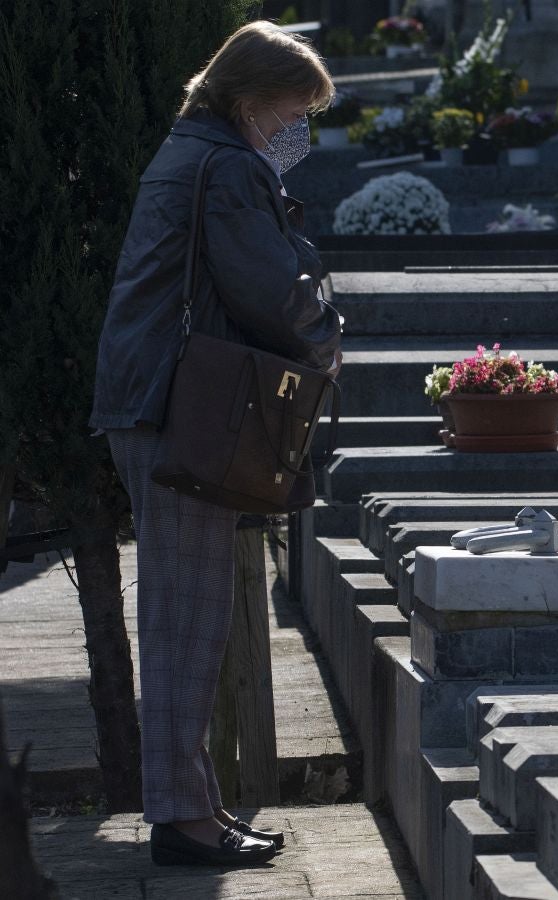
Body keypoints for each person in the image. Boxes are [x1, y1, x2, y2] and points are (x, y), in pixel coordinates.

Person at [88, 20, 343, 867]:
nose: (298, 126)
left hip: (153, 398)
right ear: (249, 99)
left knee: (184, 614)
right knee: (186, 619)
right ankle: (183, 821)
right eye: (293, 108)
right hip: (178, 407)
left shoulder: (192, 148)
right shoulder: (228, 164)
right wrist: (329, 329)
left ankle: (192, 805)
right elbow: (272, 291)